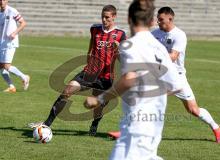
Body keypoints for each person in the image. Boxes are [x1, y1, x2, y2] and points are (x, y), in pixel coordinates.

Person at [84, 0, 182, 159]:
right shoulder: (160, 48)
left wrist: (99, 99)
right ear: (151, 21)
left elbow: (129, 79)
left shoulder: (131, 45)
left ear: (129, 18)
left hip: (136, 127)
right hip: (155, 125)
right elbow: (177, 86)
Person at [28, 5, 126, 136]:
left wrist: (118, 49)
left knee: (98, 105)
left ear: (114, 17)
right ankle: (47, 123)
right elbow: (91, 46)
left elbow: (124, 58)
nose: (104, 19)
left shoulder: (120, 34)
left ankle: (94, 125)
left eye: (107, 17)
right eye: (102, 16)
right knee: (66, 91)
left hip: (106, 77)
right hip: (89, 72)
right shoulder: (95, 29)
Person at [151, 6, 220, 143]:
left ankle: (216, 127)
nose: (158, 22)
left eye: (161, 20)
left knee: (193, 110)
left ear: (170, 19)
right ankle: (130, 132)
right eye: (157, 19)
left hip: (176, 77)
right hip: (159, 75)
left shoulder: (179, 35)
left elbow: (172, 56)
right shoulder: (155, 33)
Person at [0, 0, 30, 93]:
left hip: (10, 43)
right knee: (1, 66)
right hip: (2, 43)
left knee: (7, 66)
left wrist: (14, 32)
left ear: (7, 1)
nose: (1, 1)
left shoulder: (12, 11)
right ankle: (11, 87)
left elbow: (23, 23)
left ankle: (24, 77)